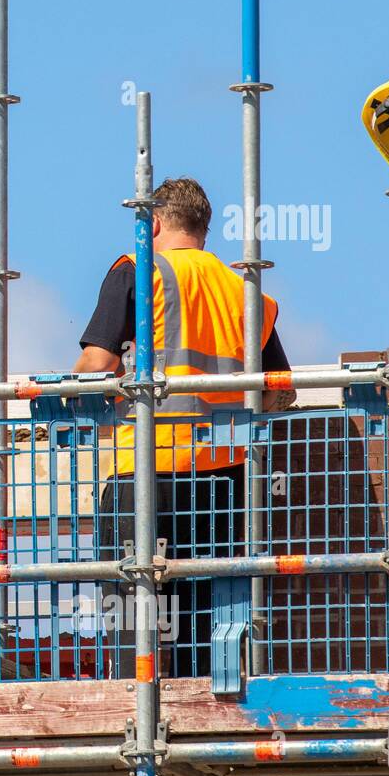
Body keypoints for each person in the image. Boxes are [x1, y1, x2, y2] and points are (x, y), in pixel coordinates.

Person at [72, 177, 296, 679]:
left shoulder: (139, 269)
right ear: (203, 229)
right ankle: (199, 710)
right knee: (205, 620)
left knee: (135, 614)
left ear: (153, 223)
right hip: (226, 481)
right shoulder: (247, 291)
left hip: (147, 471)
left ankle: (137, 714)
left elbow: (96, 364)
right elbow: (281, 390)